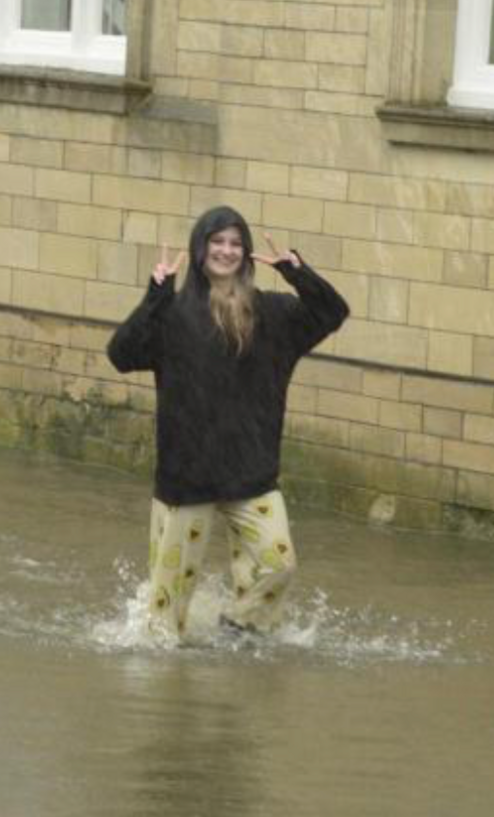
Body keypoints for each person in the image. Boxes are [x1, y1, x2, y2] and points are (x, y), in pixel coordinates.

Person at [107, 205, 350, 640]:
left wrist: (298, 272)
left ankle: (238, 628)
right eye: (217, 241)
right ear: (200, 250)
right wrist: (154, 297)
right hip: (186, 481)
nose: (226, 251)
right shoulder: (174, 316)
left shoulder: (274, 315)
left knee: (280, 565)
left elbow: (332, 312)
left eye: (236, 243)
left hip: (251, 477)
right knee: (165, 623)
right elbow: (121, 355)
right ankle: (165, 696)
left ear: (247, 252)